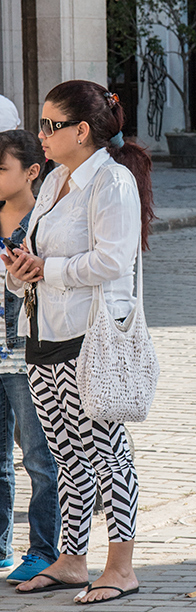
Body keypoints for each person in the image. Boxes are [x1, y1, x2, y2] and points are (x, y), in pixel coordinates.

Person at [2, 80, 153, 603]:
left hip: (92, 337)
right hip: (43, 333)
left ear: (81, 130)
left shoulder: (111, 183)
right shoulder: (54, 182)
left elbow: (114, 260)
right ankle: (72, 559)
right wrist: (22, 270)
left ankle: (121, 565)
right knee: (66, 454)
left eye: (50, 125)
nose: (40, 134)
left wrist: (49, 268)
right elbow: (34, 249)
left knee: (107, 453)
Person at [0, 130, 61, 583]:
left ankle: (44, 549)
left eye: (1, 169)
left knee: (39, 456)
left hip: (27, 355)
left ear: (31, 171)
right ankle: (2, 546)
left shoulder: (46, 224)